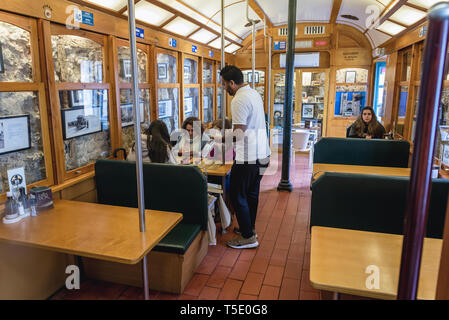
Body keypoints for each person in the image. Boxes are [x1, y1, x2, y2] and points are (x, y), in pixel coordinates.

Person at [220, 65, 271, 249]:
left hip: (248, 157)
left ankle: (248, 237)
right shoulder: (254, 93)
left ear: (232, 83)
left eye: (224, 84)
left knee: (236, 194)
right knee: (251, 194)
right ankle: (248, 228)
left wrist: (220, 137)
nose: (224, 88)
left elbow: (239, 133)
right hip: (263, 154)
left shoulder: (239, 100)